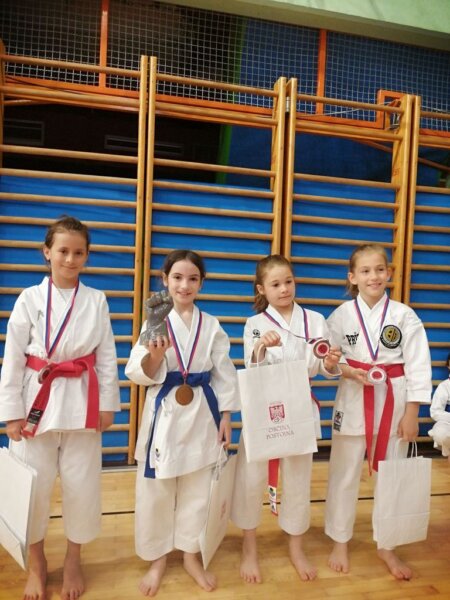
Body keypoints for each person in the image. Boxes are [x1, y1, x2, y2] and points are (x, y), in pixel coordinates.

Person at [0, 215, 121, 600]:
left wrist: (108, 404)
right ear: (47, 252)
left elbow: (106, 355)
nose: (70, 259)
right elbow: (13, 357)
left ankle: (73, 558)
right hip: (36, 401)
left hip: (83, 402)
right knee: (32, 489)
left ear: (87, 256)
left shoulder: (96, 300)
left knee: (81, 485)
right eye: (63, 251)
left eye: (78, 252)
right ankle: (36, 562)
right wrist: (11, 412)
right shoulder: (29, 299)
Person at [125, 249, 240, 597]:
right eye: (177, 277)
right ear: (165, 280)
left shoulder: (211, 325)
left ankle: (191, 554)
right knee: (157, 490)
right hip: (166, 411)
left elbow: (224, 372)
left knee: (198, 488)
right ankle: (157, 558)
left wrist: (226, 416)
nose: (184, 285)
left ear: (201, 283)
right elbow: (138, 372)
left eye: (192, 278)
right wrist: (155, 355)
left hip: (202, 412)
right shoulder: (155, 320)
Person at [230, 254, 341, 584]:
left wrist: (331, 363)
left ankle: (296, 545)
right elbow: (251, 365)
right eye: (275, 284)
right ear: (261, 289)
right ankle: (249, 546)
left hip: (300, 405)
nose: (284, 289)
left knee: (298, 478)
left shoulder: (315, 320)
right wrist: (261, 347)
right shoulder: (255, 324)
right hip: (263, 405)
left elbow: (323, 367)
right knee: (251, 477)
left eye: (288, 281)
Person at [324, 243, 432, 580]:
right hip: (353, 397)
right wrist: (340, 368)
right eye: (366, 271)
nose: (374, 276)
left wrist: (412, 413)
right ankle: (340, 540)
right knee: (343, 475)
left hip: (393, 402)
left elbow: (418, 365)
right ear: (352, 277)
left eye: (380, 269)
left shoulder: (404, 315)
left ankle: (387, 543)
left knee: (391, 475)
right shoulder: (340, 316)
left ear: (389, 273)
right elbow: (328, 362)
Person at [428, 352, 450, 462]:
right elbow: (435, 412)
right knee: (441, 433)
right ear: (448, 366)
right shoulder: (444, 386)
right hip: (447, 423)